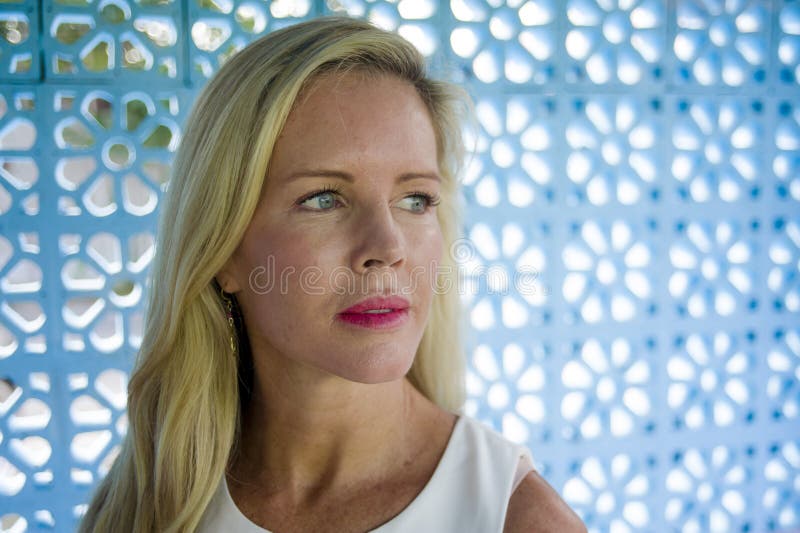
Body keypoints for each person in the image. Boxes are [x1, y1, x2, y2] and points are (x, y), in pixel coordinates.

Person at [78, 16, 585, 533]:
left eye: (415, 199)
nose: (387, 248)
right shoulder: (150, 498)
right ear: (223, 250)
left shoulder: (518, 520)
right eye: (323, 199)